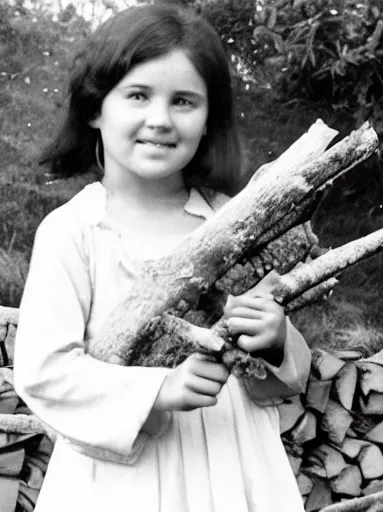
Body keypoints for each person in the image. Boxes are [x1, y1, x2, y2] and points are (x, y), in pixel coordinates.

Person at [13, 3, 311, 512]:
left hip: (233, 466)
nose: (160, 119)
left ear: (208, 118)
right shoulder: (75, 232)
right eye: (137, 95)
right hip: (119, 482)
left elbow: (279, 378)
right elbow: (45, 371)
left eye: (184, 101)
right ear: (94, 107)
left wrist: (276, 338)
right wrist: (158, 388)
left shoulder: (234, 222)